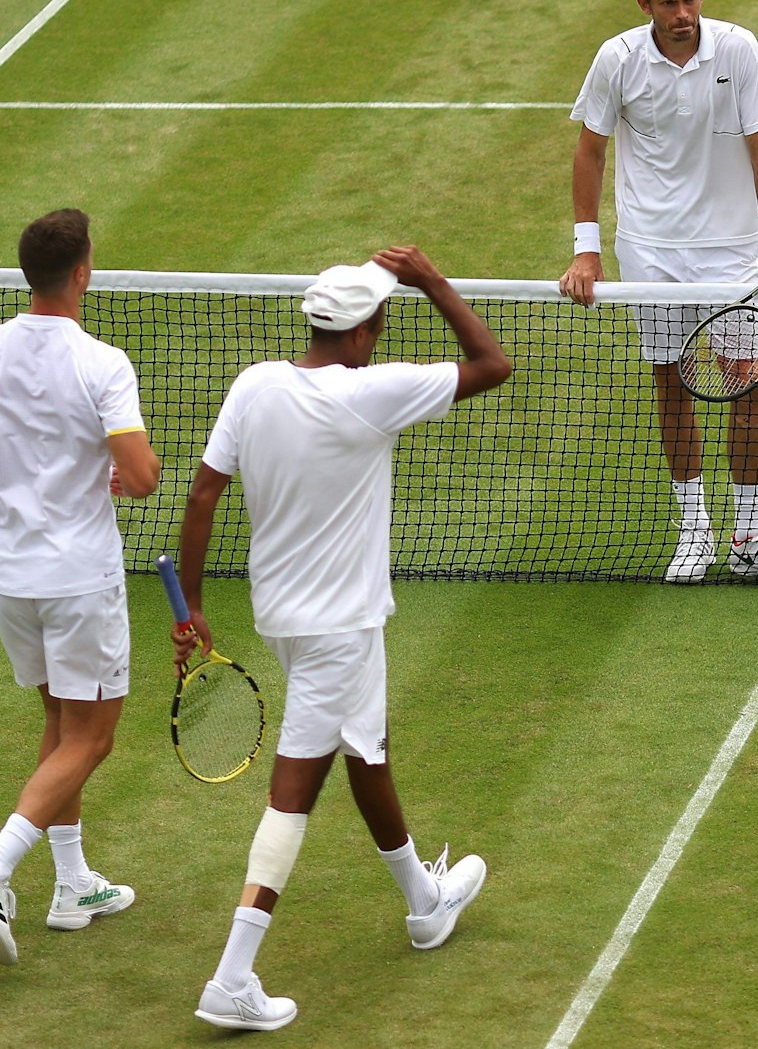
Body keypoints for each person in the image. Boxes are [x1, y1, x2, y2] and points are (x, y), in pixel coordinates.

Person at [175, 246, 511, 1031]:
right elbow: (492, 363)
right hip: (337, 631)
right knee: (294, 791)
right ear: (366, 333)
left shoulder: (254, 384)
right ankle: (233, 975)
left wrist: (190, 606)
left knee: (369, 746)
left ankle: (425, 903)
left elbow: (202, 493)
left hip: (292, 620)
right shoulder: (374, 393)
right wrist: (432, 280)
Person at [0, 208, 161, 965]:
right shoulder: (101, 362)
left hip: (11, 575)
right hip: (79, 577)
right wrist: (126, 472)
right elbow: (141, 478)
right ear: (82, 272)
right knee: (94, 735)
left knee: (60, 723)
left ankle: (73, 882)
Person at [559, 0, 758, 586]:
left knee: (745, 388)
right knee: (671, 388)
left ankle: (751, 535)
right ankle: (694, 532)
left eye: (691, 0)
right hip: (650, 251)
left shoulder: (738, 49)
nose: (683, 14)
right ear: (644, 5)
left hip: (731, 253)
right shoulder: (616, 59)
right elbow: (590, 151)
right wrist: (587, 247)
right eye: (669, 3)